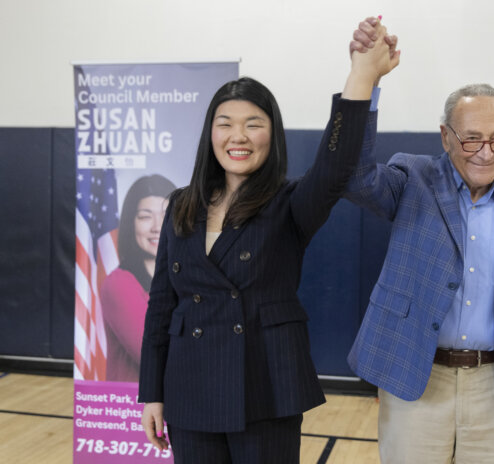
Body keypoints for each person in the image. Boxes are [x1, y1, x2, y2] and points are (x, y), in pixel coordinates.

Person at [137, 19, 400, 464]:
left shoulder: (291, 203)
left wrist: (361, 76)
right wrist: (152, 392)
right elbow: (162, 303)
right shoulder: (181, 204)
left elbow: (335, 167)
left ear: (271, 135)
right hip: (189, 388)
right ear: (211, 134)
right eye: (225, 124)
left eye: (252, 124)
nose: (238, 136)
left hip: (264, 385)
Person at [346, 20, 494, 463]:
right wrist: (366, 81)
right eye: (471, 137)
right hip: (418, 378)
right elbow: (355, 177)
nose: (486, 150)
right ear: (445, 136)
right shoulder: (413, 178)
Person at [101, 174, 176, 382]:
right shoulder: (119, 284)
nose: (157, 226)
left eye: (166, 214)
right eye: (145, 216)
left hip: (180, 406)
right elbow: (155, 357)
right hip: (133, 407)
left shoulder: (187, 274)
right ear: (130, 224)